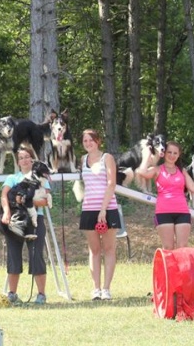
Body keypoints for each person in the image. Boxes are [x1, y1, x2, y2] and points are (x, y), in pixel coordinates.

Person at [0, 147, 50, 305]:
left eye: (27, 157)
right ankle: (12, 294)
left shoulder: (41, 178)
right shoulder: (12, 178)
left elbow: (45, 201)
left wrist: (28, 201)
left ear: (32, 159)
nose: (24, 160)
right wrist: (7, 212)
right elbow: (4, 195)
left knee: (36, 255)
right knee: (13, 255)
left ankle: (41, 294)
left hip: (35, 220)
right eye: (21, 158)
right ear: (18, 161)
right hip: (15, 219)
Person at [135, 141, 194, 250]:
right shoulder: (157, 169)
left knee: (182, 247)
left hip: (182, 212)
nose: (172, 155)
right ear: (164, 153)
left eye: (175, 153)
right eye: (169, 152)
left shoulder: (182, 171)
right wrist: (147, 154)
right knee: (168, 247)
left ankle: (181, 268)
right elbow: (141, 172)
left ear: (179, 154)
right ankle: (169, 267)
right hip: (163, 212)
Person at [79, 129, 121, 301]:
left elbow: (111, 184)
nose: (88, 143)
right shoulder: (82, 160)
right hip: (88, 208)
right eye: (85, 141)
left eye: (91, 140)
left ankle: (106, 288)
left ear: (98, 141)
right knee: (94, 249)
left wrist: (103, 209)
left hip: (107, 208)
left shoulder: (107, 158)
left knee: (109, 249)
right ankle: (96, 288)